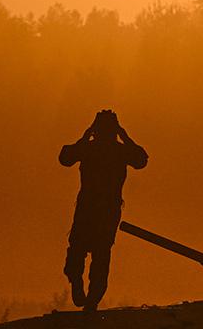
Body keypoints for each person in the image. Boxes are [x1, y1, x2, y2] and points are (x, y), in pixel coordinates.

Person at [59, 109, 148, 311]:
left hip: (97, 209)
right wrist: (123, 135)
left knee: (91, 252)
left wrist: (86, 135)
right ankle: (85, 292)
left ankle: (90, 297)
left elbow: (141, 160)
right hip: (97, 208)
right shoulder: (113, 150)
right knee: (93, 252)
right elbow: (65, 158)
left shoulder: (100, 149)